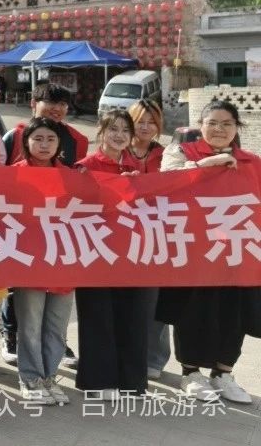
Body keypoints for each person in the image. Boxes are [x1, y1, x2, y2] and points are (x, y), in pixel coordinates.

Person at [157, 100, 259, 405]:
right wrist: (204, 166)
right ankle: (191, 373)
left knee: (234, 313)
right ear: (200, 125)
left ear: (237, 128)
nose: (219, 129)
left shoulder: (252, 161)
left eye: (227, 124)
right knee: (192, 311)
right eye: (212, 122)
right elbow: (164, 183)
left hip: (238, 253)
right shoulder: (180, 153)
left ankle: (224, 372)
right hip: (193, 250)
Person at [0, 82, 87, 367]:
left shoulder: (77, 139)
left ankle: (55, 351)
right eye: (50, 102)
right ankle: (11, 337)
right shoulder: (15, 136)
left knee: (54, 303)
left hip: (58, 230)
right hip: (22, 229)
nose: (57, 109)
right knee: (19, 293)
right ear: (33, 103)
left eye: (63, 104)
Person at [74, 109, 150, 400]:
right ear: (101, 131)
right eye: (113, 129)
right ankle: (98, 381)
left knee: (132, 316)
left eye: (125, 130)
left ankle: (132, 381)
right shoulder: (84, 166)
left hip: (131, 254)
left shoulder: (138, 168)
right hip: (96, 251)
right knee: (98, 316)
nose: (119, 135)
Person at [12, 117, 73, 406]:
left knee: (57, 325)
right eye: (38, 138)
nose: (44, 144)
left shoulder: (73, 177)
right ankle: (31, 378)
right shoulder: (12, 175)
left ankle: (49, 376)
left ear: (59, 143)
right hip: (28, 261)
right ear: (27, 142)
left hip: (64, 260)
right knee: (31, 323)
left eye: (51, 138)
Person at [127, 100, 170, 379]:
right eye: (140, 120)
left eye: (152, 122)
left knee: (156, 301)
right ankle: (125, 352)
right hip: (121, 238)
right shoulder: (117, 151)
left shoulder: (167, 155)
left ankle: (154, 357)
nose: (145, 127)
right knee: (124, 300)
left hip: (158, 236)